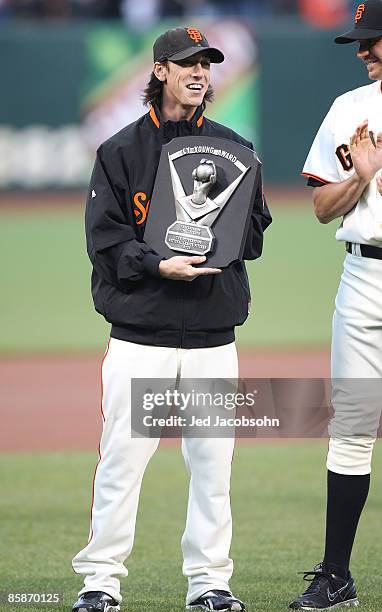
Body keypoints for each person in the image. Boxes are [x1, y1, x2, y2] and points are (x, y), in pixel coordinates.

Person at [71, 26, 271, 612]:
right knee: (121, 465)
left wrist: (220, 234)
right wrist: (160, 265)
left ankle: (209, 583)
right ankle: (100, 583)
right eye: (187, 64)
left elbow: (253, 238)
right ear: (158, 71)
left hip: (212, 334)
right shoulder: (119, 153)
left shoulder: (237, 150)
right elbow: (105, 245)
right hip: (141, 335)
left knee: (212, 466)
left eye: (206, 64)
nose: (199, 73)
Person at [289, 0, 382, 609]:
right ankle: (337, 575)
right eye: (359, 40)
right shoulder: (351, 109)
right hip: (365, 276)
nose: (363, 50)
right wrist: (361, 178)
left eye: (373, 39)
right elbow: (323, 209)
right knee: (350, 431)